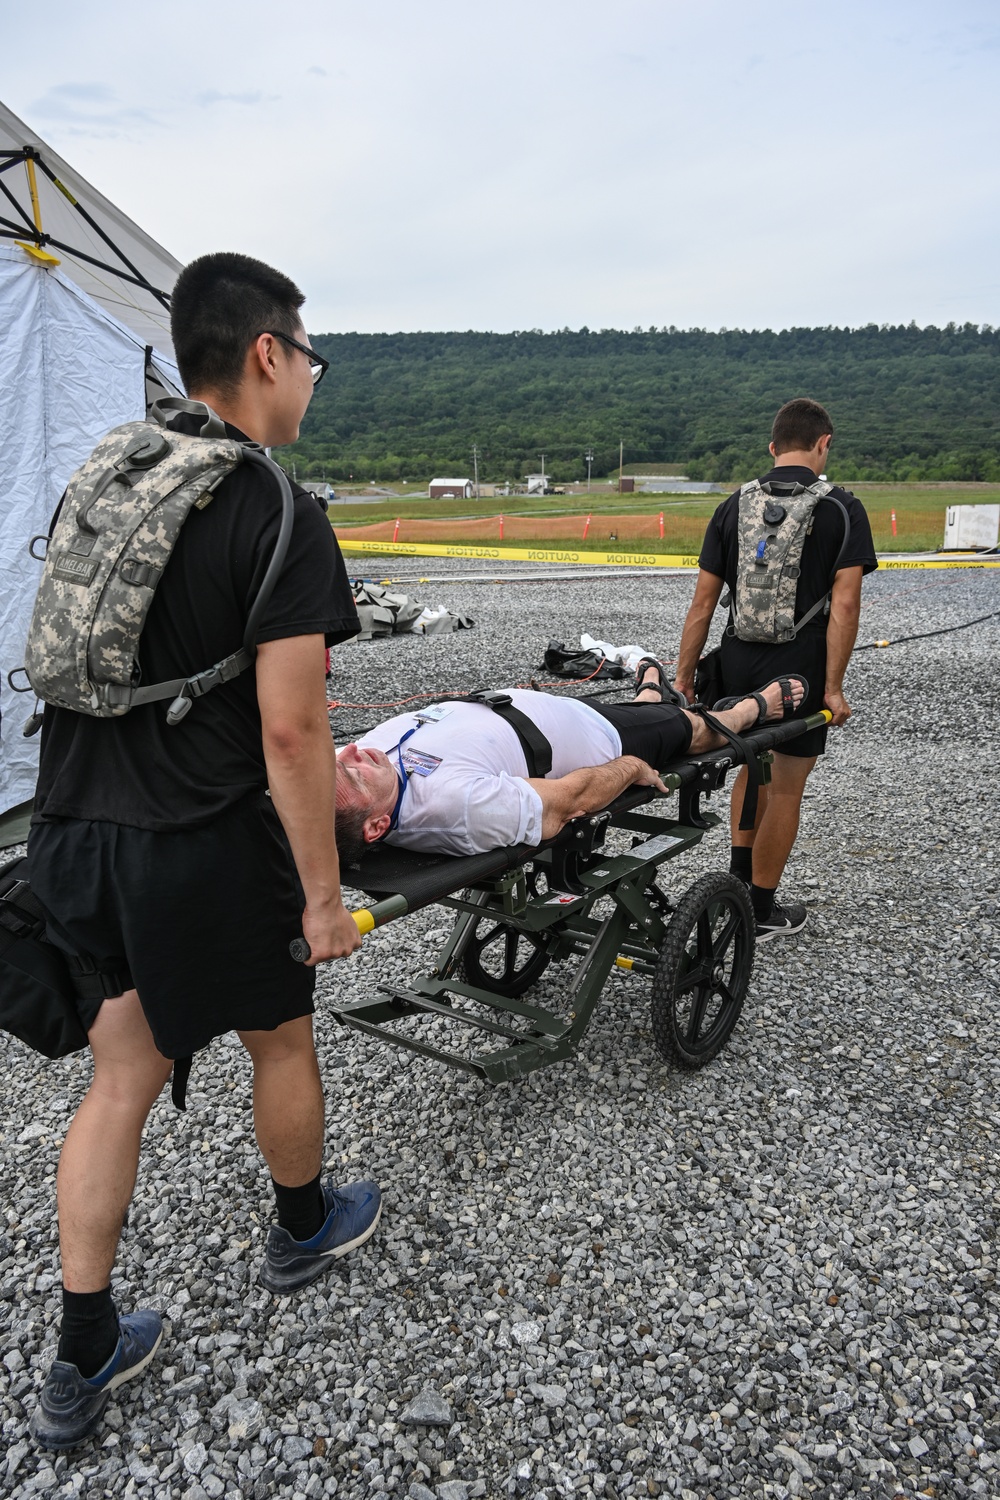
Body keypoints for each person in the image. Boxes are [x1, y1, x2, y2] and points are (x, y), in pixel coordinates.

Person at [25, 253, 381, 1450]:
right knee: (277, 1033)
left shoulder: (110, 473)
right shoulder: (276, 508)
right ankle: (302, 1223)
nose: (311, 384)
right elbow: (291, 729)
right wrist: (323, 900)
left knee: (117, 1074)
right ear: (269, 354)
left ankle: (82, 1351)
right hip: (202, 844)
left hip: (72, 830)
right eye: (309, 359)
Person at [672, 397, 877, 941]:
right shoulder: (841, 508)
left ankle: (737, 890)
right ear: (823, 444)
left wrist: (684, 677)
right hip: (800, 665)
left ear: (772, 446)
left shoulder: (733, 505)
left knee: (749, 766)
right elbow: (847, 606)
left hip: (738, 655)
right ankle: (759, 909)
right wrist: (833, 689)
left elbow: (702, 603)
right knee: (786, 787)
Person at [332, 664, 809, 862]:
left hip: (543, 715)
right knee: (689, 730)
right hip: (600, 738)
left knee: (651, 710)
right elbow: (567, 803)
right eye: (355, 772)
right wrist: (627, 767)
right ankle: (752, 709)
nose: (353, 751)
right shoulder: (453, 806)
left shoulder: (339, 784)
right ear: (375, 828)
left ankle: (648, 693)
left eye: (340, 758)